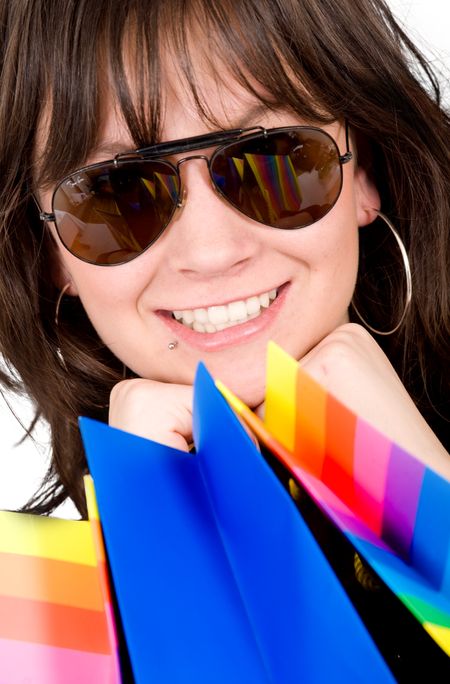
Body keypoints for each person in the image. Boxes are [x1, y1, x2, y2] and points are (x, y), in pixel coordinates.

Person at [0, 0, 448, 521]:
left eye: (271, 163)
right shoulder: (29, 594)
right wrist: (154, 552)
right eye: (118, 196)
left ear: (363, 174)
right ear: (49, 248)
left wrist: (423, 507)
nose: (210, 253)